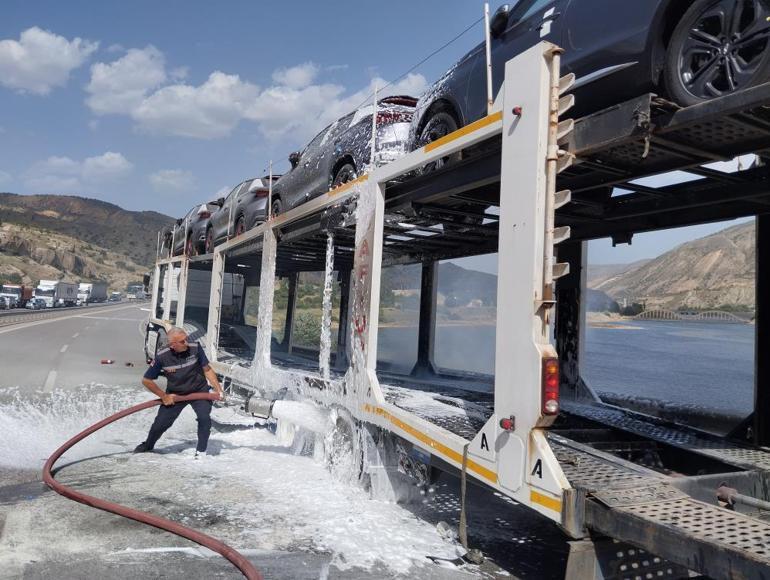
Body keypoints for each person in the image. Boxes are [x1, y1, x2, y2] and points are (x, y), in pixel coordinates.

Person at [134, 327, 224, 458]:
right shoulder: (162, 357)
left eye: (186, 339)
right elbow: (147, 380)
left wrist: (218, 389)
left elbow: (207, 369)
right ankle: (148, 445)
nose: (186, 343)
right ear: (172, 345)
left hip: (199, 391)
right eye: (182, 341)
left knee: (204, 418)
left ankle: (201, 452)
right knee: (161, 424)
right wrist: (164, 397)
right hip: (175, 395)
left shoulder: (195, 347)